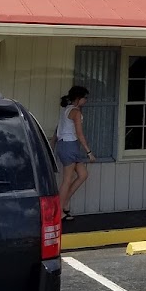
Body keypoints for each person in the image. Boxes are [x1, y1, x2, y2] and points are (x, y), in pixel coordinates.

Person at [55, 86, 95, 220]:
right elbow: (79, 133)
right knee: (67, 179)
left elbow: (58, 129)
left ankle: (65, 202)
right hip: (69, 145)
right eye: (85, 98)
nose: (86, 100)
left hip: (67, 145)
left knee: (83, 174)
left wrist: (53, 143)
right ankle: (58, 211)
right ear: (78, 98)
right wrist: (89, 152)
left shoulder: (66, 109)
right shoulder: (75, 112)